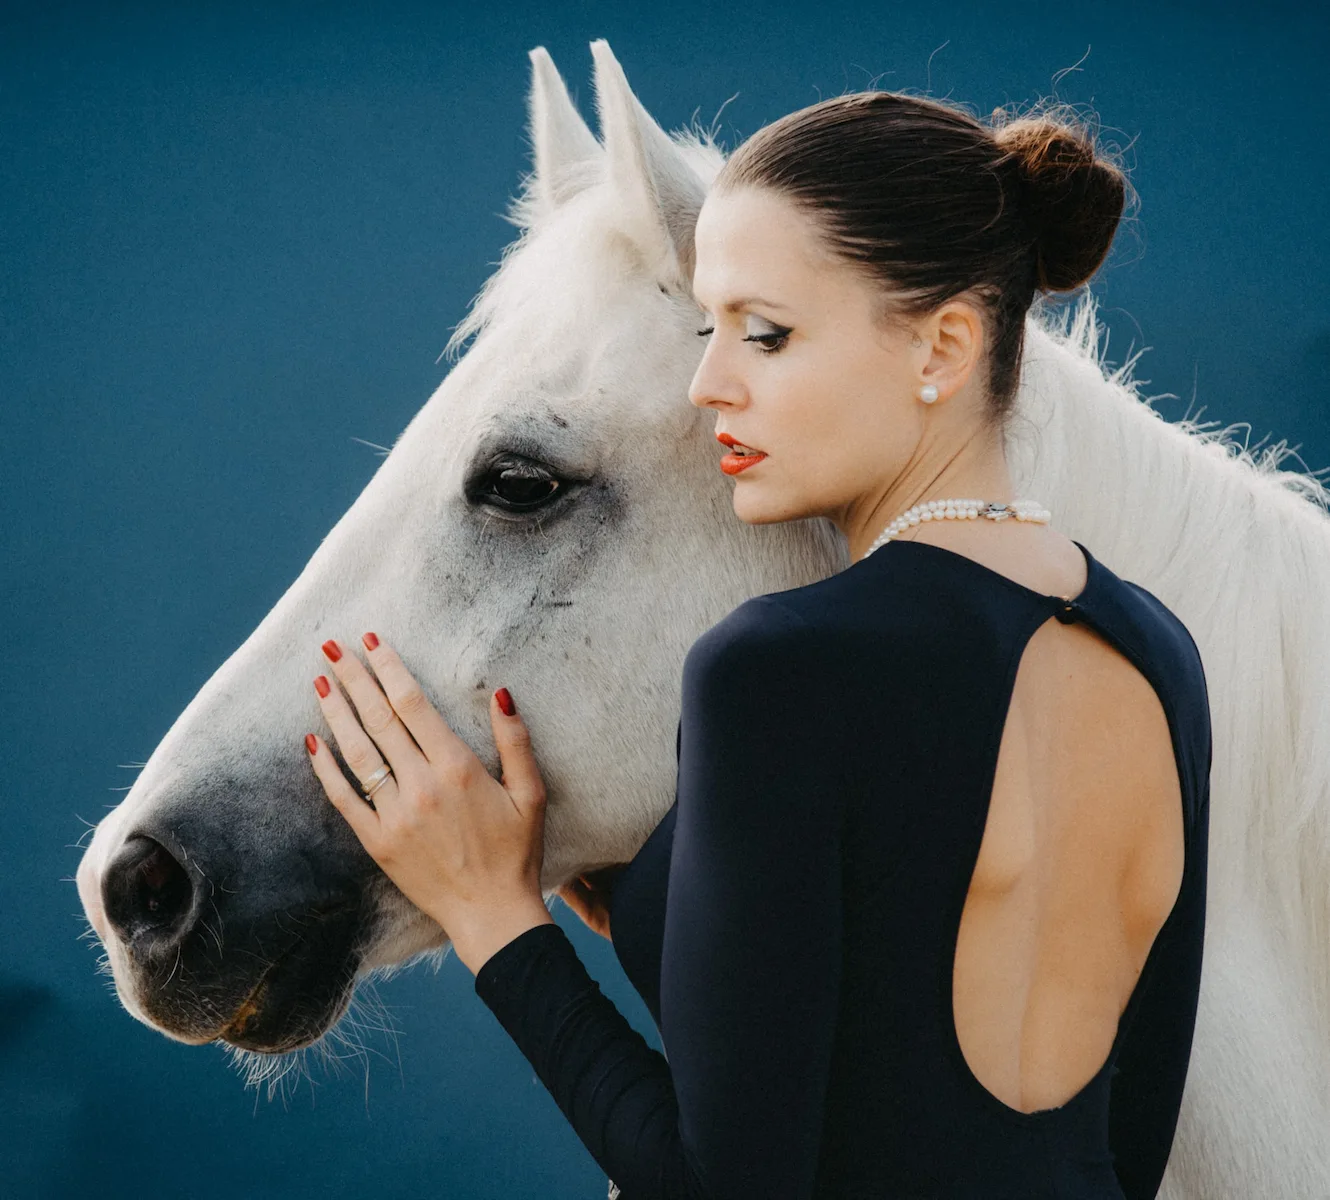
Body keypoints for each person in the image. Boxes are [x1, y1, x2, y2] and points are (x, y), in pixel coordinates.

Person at [306, 89, 1211, 1199]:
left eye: (765, 335)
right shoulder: (1159, 653)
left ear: (943, 346)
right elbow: (1122, 1145)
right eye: (711, 328)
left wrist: (491, 916)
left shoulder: (780, 665)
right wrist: (666, 912)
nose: (708, 385)